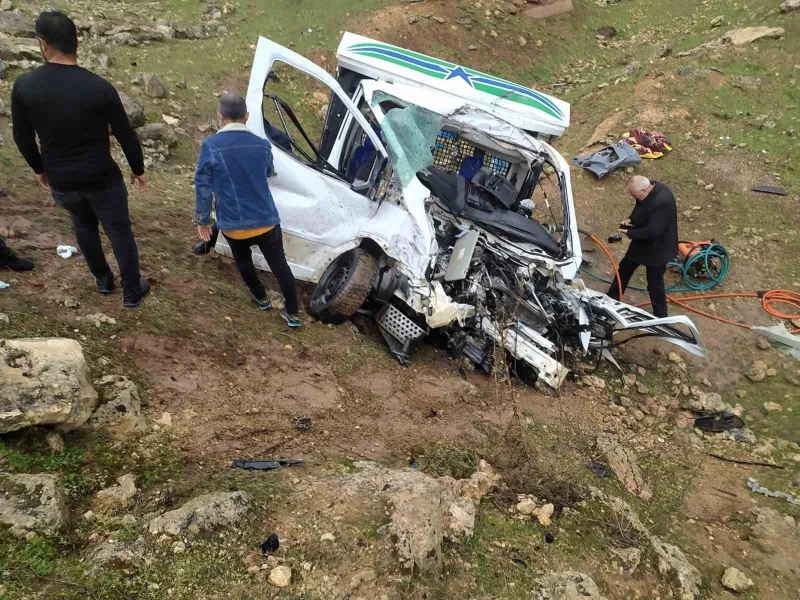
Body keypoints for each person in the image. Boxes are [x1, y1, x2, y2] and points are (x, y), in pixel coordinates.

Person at [11, 10, 150, 308]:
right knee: (119, 232)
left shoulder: (24, 86)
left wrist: (39, 169)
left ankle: (102, 279)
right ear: (76, 42)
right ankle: (131, 291)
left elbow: (22, 137)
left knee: (83, 226)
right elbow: (126, 135)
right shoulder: (100, 87)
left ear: (42, 42)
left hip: (61, 177)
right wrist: (137, 169)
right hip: (102, 177)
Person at [194, 93, 301, 328]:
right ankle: (293, 313)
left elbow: (203, 185)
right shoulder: (263, 145)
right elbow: (268, 171)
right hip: (266, 221)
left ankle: (261, 299)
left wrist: (203, 220)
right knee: (279, 264)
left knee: (243, 260)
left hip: (234, 225)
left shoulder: (211, 146)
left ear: (220, 116)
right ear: (247, 116)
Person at [607, 175, 678, 318]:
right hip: (643, 242)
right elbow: (640, 205)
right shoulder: (648, 191)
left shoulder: (662, 201)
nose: (634, 197)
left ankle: (661, 315)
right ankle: (612, 297)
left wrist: (629, 232)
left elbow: (653, 231)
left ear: (644, 190)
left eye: (634, 195)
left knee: (654, 282)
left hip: (659, 248)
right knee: (625, 268)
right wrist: (631, 220)